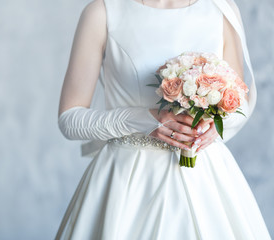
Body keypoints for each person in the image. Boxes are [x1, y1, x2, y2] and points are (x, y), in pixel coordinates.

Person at [56, 0, 271, 239]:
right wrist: (145, 120)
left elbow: (237, 100)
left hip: (205, 179)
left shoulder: (221, 9)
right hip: (128, 180)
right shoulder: (102, 12)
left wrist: (215, 126)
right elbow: (69, 119)